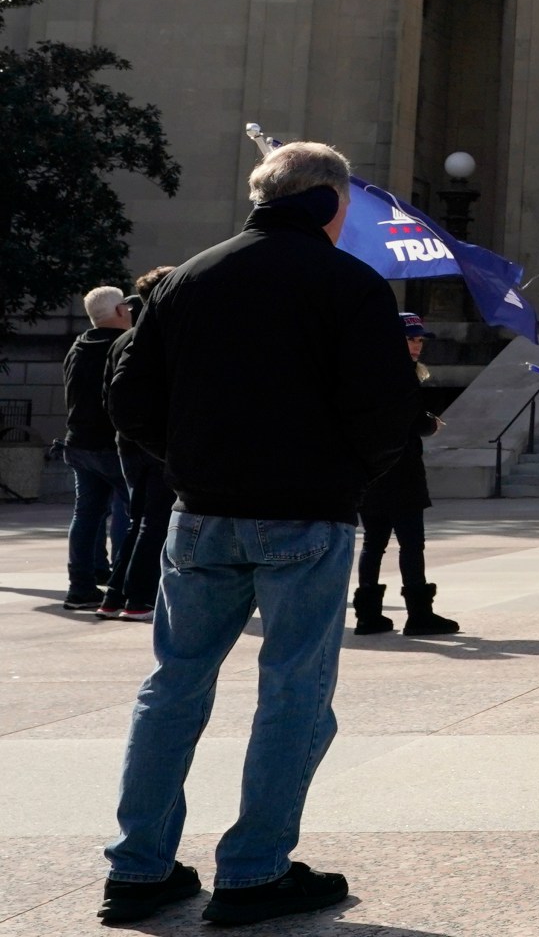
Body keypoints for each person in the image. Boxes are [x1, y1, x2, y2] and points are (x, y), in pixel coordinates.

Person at [99, 141, 420, 926]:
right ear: (329, 205)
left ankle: (137, 869)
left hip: (201, 513)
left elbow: (127, 392)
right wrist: (343, 477)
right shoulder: (350, 284)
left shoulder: (186, 278)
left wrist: (187, 462)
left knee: (172, 686)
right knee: (294, 695)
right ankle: (252, 870)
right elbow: (388, 410)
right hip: (304, 516)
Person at [352, 314, 460, 637]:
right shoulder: (399, 376)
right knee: (411, 544)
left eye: (419, 340)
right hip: (401, 472)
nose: (416, 345)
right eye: (410, 339)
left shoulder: (368, 373)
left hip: (373, 472)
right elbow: (408, 420)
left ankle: (368, 616)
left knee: (374, 543)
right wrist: (430, 423)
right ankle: (419, 614)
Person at [103, 268, 179, 622]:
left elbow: (110, 395)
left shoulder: (124, 340)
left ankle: (116, 595)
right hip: (158, 441)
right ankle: (139, 598)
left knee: (138, 520)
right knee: (155, 521)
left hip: (129, 442)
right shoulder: (166, 335)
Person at [61, 284, 133, 614]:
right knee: (132, 513)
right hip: (113, 444)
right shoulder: (123, 345)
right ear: (119, 312)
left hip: (79, 442)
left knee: (86, 514)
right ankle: (123, 585)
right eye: (127, 309)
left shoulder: (78, 346)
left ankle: (81, 587)